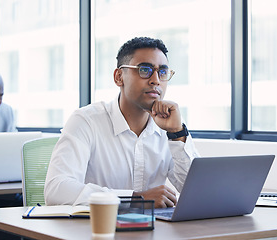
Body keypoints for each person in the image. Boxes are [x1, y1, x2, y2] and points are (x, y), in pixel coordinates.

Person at [44, 37, 199, 208]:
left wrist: (177, 134)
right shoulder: (86, 121)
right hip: (97, 229)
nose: (156, 80)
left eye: (162, 72)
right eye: (145, 70)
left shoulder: (170, 125)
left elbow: (199, 191)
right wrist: (135, 199)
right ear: (119, 77)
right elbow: (56, 190)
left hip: (154, 231)